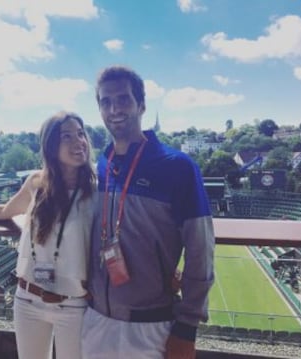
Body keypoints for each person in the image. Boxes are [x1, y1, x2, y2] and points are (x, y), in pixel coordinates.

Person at [82, 66, 215, 359]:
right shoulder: (99, 167)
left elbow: (201, 250)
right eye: (105, 101)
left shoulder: (177, 167)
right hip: (94, 319)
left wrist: (187, 328)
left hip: (150, 327)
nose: (114, 108)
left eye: (123, 99)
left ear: (141, 105)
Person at [0, 111, 96, 359]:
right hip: (28, 299)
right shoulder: (36, 183)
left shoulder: (97, 190)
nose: (79, 141)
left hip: (73, 304)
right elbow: (5, 210)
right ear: (51, 146)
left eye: (80, 134)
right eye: (67, 136)